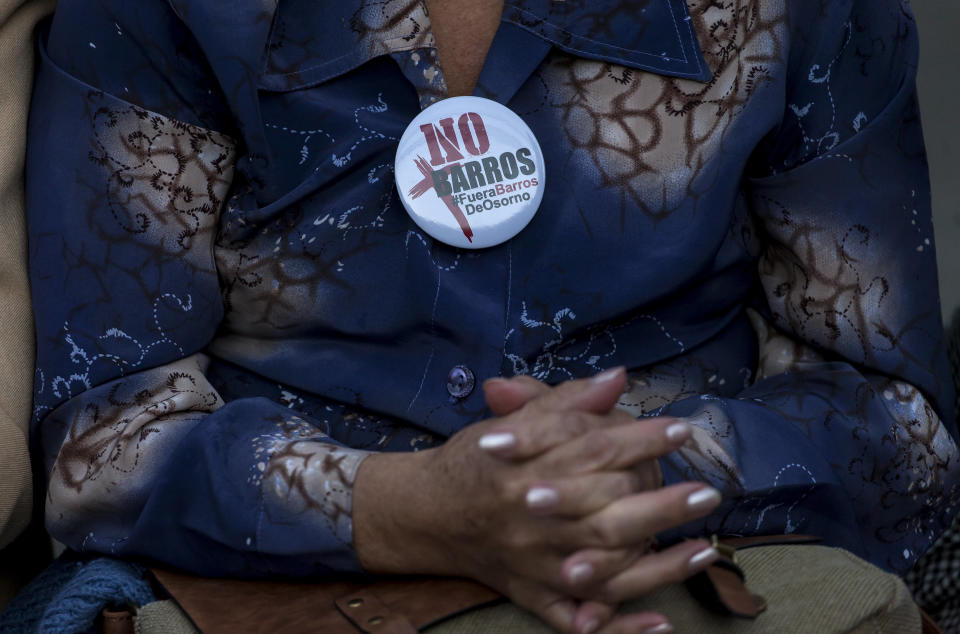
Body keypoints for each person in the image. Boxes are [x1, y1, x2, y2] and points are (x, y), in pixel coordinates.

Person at [23, 0, 960, 632]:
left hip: (700, 557)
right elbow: (103, 441)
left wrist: (621, 478)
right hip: (280, 586)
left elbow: (898, 425)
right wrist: (413, 511)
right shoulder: (166, 11)